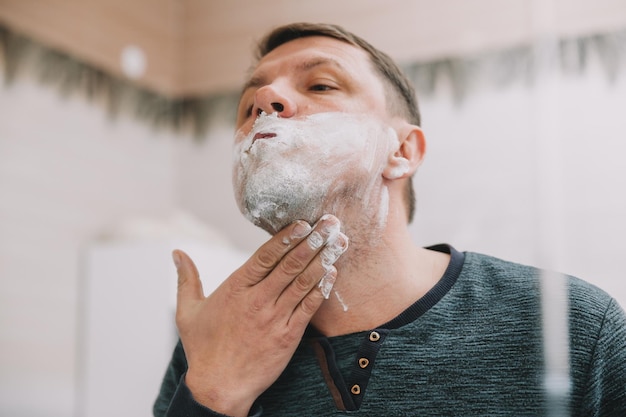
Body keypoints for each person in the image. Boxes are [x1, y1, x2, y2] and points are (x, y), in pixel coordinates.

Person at [154, 23, 626, 416]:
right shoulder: (217, 339)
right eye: (247, 104)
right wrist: (212, 396)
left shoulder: (575, 327)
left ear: (402, 151)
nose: (265, 100)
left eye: (320, 84)